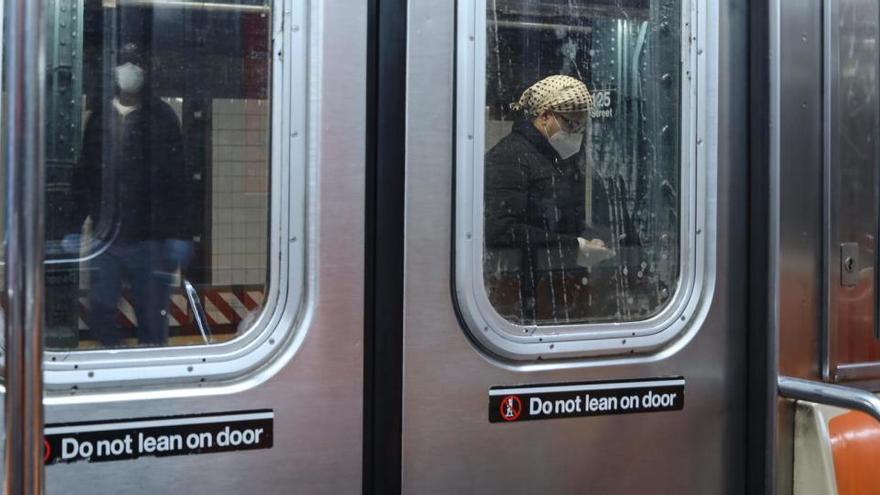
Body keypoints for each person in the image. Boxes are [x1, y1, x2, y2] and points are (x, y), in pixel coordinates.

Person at [484, 74, 642, 324]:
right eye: (570, 124)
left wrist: (590, 236)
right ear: (545, 116)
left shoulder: (553, 158)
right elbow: (500, 231)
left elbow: (555, 220)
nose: (576, 134)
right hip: (524, 295)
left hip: (557, 288)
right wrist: (574, 249)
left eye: (581, 127)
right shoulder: (509, 158)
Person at [74, 42, 196, 346]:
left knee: (152, 318)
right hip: (107, 237)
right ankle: (117, 365)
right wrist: (73, 224)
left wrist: (179, 233)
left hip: (151, 238)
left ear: (147, 70)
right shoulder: (100, 116)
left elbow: (177, 179)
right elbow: (86, 173)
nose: (130, 69)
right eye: (124, 61)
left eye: (136, 62)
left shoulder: (162, 117)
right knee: (100, 309)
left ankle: (154, 378)